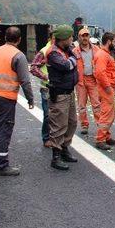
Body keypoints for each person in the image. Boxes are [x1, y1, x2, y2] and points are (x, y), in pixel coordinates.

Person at [0, 26, 34, 176]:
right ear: (19, 39)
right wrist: (30, 98)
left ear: (5, 38)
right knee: (4, 130)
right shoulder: (18, 55)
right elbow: (25, 81)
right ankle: (1, 165)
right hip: (6, 98)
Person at [46, 25, 79, 170]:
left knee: (72, 123)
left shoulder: (66, 50)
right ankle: (56, 156)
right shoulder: (53, 53)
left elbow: (73, 60)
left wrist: (73, 58)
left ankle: (65, 148)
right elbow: (66, 66)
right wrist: (73, 60)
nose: (72, 39)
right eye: (70, 37)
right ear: (63, 39)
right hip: (59, 94)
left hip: (69, 92)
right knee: (58, 126)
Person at [73, 26, 101, 135]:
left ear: (89, 36)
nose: (85, 38)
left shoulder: (96, 49)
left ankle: (100, 124)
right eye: (82, 36)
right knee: (81, 105)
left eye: (86, 35)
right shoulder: (75, 51)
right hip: (80, 81)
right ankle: (84, 125)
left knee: (96, 104)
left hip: (93, 80)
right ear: (79, 37)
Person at [93, 32, 115, 150]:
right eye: (114, 41)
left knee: (109, 113)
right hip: (106, 88)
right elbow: (100, 73)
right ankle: (100, 139)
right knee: (106, 114)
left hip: (107, 87)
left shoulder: (105, 54)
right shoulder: (103, 55)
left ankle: (106, 136)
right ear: (109, 41)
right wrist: (108, 87)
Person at [30, 29, 53, 147]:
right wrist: (45, 77)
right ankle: (46, 138)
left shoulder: (62, 50)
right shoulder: (44, 51)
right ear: (50, 38)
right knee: (48, 114)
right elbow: (33, 68)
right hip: (47, 88)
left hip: (60, 88)